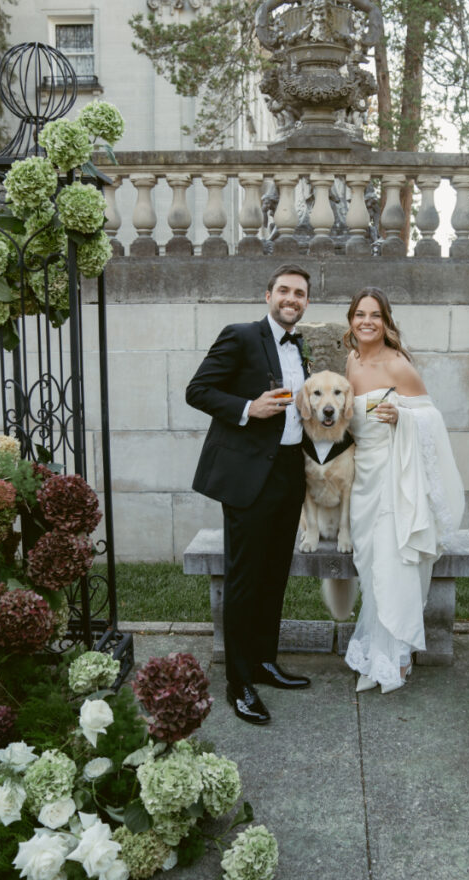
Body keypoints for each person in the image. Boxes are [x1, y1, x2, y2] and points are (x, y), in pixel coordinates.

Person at [185, 264, 312, 725]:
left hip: (288, 471)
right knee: (243, 577)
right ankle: (238, 683)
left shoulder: (301, 346)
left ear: (306, 302)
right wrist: (247, 408)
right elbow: (197, 391)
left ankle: (263, 661)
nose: (291, 298)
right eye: (284, 290)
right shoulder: (240, 335)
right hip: (248, 476)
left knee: (275, 573)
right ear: (268, 295)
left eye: (299, 293)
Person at [343, 286, 465, 694]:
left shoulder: (398, 365)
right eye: (360, 314)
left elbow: (431, 417)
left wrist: (404, 418)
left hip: (396, 478)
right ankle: (375, 650)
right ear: (351, 320)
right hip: (362, 479)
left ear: (386, 321)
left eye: (375, 315)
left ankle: (393, 659)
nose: (366, 322)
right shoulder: (351, 362)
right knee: (371, 564)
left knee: (393, 565)